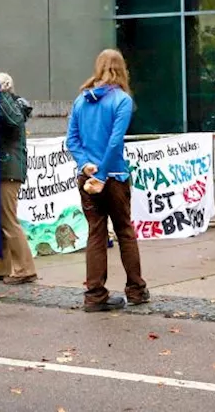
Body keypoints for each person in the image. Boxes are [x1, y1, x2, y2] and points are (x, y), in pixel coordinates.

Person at [66, 48, 147, 312]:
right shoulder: (121, 100)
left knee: (96, 235)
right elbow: (115, 141)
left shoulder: (81, 100)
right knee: (124, 231)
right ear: (122, 69)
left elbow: (72, 140)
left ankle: (94, 295)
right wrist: (102, 174)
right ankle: (136, 290)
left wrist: (86, 165)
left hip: (87, 177)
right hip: (113, 177)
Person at [0, 73, 38, 286]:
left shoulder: (14, 105)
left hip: (9, 169)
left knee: (8, 220)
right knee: (0, 220)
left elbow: (13, 121)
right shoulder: (2, 106)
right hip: (1, 168)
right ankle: (1, 266)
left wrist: (1, 94)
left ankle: (25, 269)